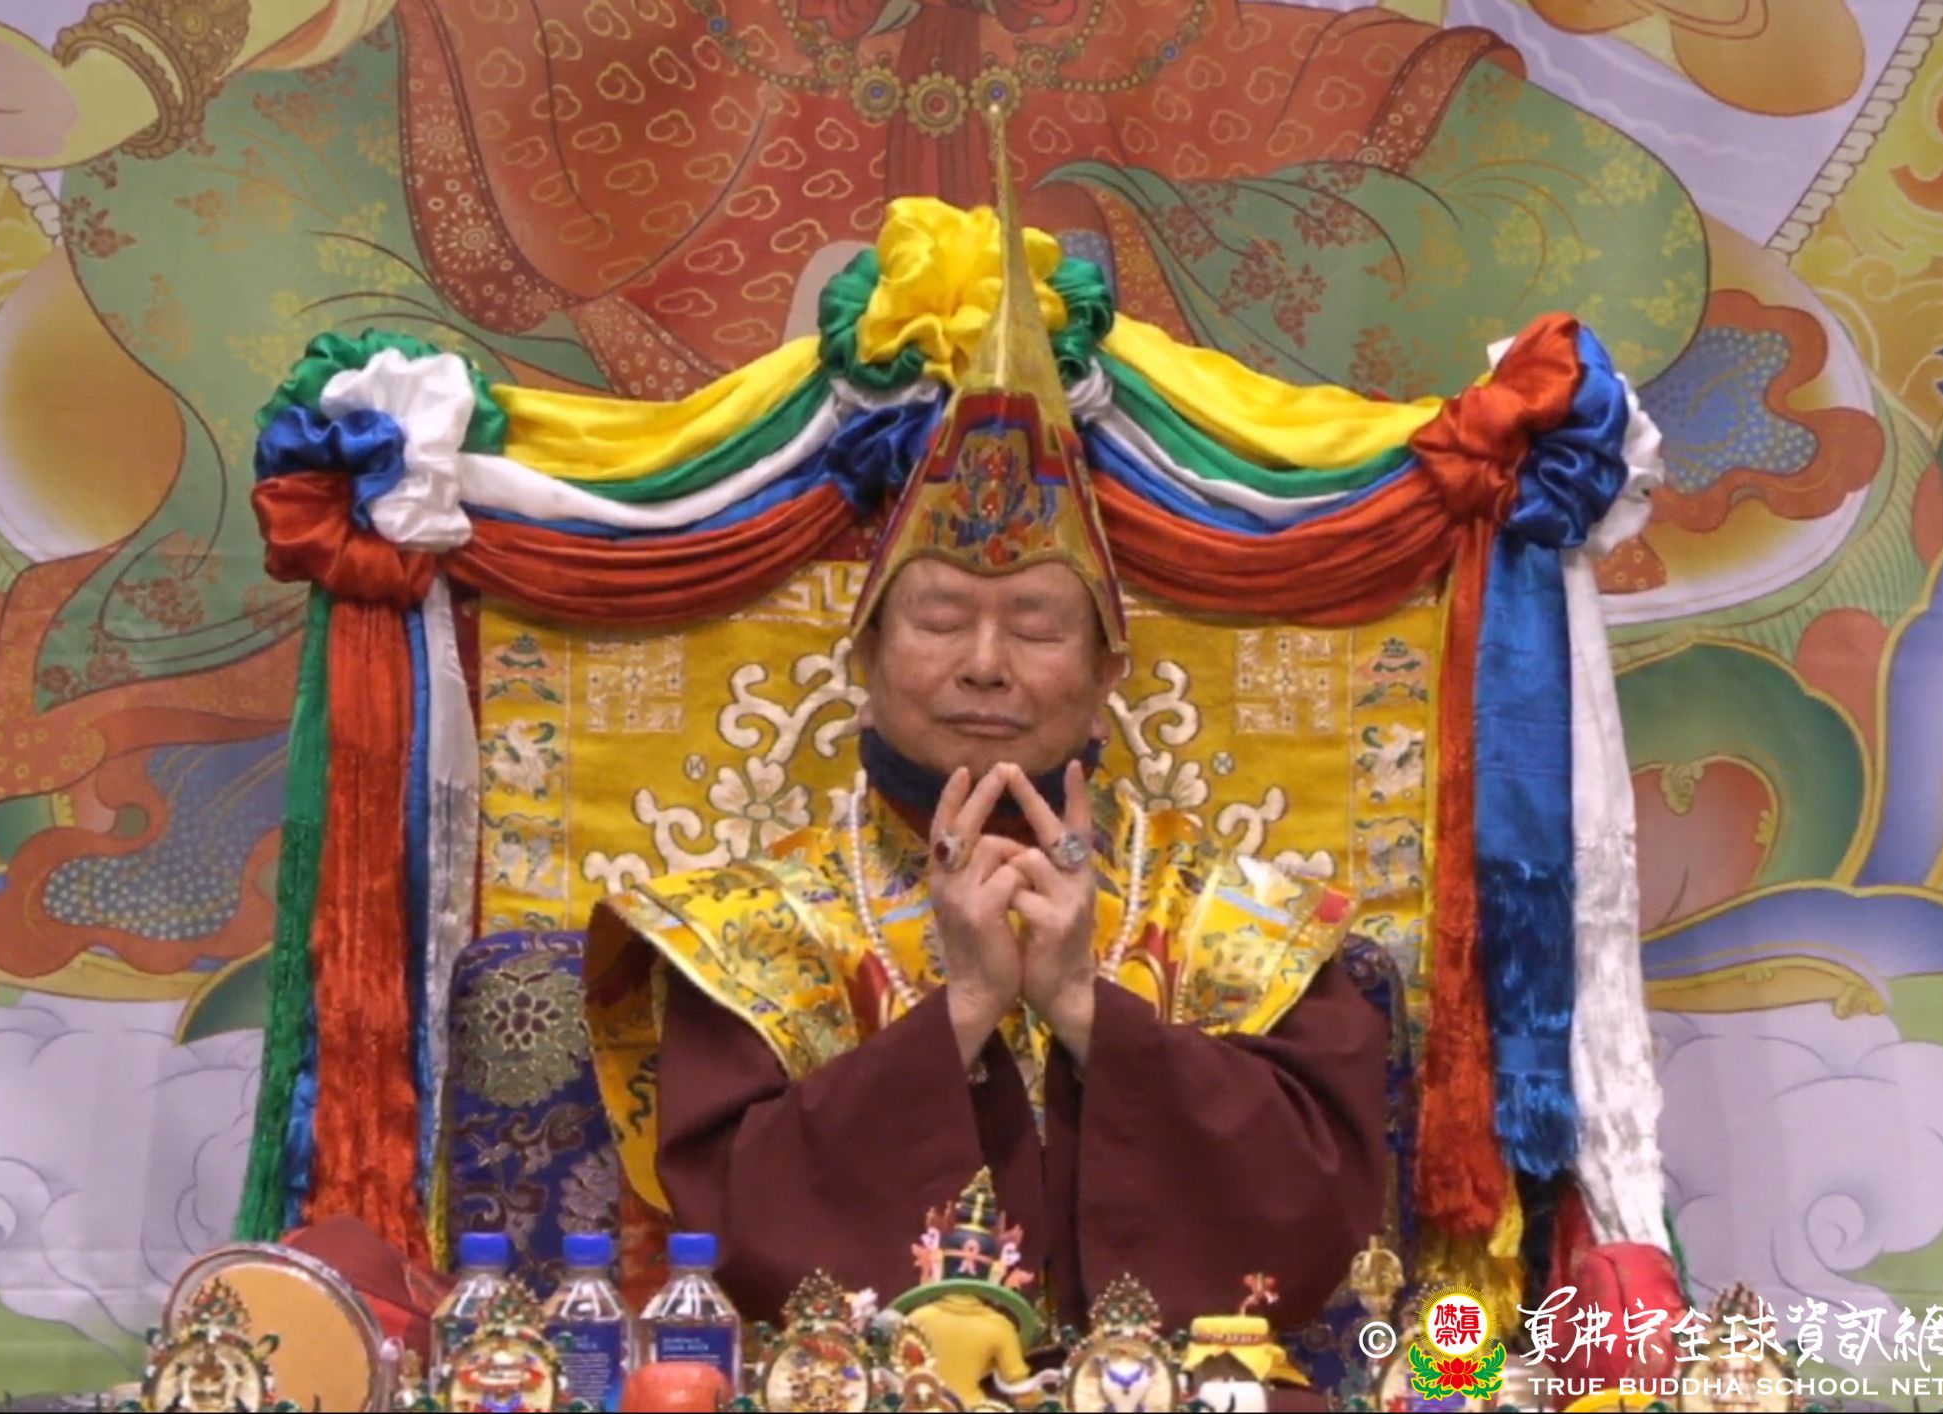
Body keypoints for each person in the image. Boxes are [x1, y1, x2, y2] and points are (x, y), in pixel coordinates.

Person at [582, 113, 1389, 1355]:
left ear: (1108, 669)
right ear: (861, 655)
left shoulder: (1237, 919)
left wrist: (1082, 1005)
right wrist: (958, 1008)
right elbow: (732, 1238)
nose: (983, 663)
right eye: (940, 617)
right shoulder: (748, 928)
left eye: (1035, 623)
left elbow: (1316, 1225)